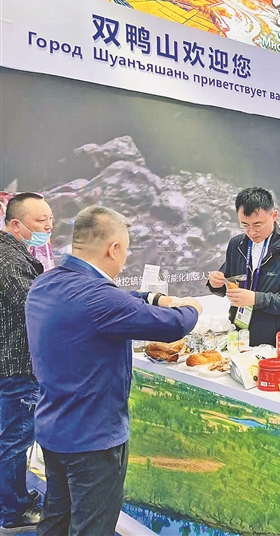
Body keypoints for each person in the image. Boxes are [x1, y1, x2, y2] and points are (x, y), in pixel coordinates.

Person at [26, 206, 201, 535]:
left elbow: (117, 300)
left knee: (56, 518)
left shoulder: (46, 283)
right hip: (93, 439)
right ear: (114, 249)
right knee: (92, 527)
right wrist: (192, 307)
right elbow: (174, 325)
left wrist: (152, 296)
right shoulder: (99, 299)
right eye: (127, 249)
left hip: (53, 427)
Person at [0, 193, 52, 531]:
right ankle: (13, 512)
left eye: (50, 219)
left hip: (13, 363)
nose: (48, 226)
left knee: (12, 437)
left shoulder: (14, 253)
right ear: (16, 224)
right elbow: (36, 306)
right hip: (17, 365)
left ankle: (13, 499)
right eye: (40, 221)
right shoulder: (8, 260)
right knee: (16, 440)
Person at [208, 187, 280, 346]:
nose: (251, 232)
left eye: (258, 225)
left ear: (274, 216)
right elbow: (227, 278)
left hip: (274, 338)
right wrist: (216, 283)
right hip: (238, 334)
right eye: (244, 225)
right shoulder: (237, 244)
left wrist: (257, 299)